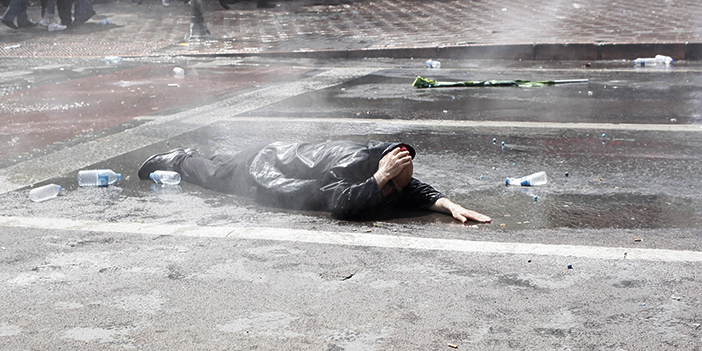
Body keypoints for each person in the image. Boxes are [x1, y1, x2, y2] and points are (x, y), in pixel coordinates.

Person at [137, 142, 492, 223]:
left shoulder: (379, 166)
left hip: (282, 157)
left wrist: (447, 204)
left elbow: (410, 187)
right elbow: (341, 204)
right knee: (221, 178)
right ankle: (180, 159)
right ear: (380, 170)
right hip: (268, 165)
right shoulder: (351, 170)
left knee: (226, 166)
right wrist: (381, 180)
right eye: (390, 184)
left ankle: (200, 155)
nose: (396, 194)